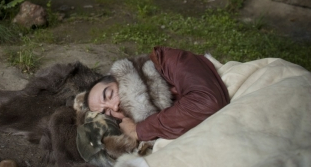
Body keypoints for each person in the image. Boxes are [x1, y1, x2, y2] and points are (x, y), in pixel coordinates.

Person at [86, 46, 230, 142]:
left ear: (121, 77)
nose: (115, 107)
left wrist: (141, 130)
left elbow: (207, 101)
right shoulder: (148, 122)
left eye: (109, 94)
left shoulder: (167, 60)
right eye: (107, 112)